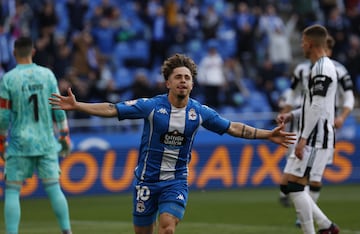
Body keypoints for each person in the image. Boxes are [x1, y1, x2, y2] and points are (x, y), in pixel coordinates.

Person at [49, 53, 296, 234]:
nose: (183, 81)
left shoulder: (199, 112)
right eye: (178, 77)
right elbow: (112, 109)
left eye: (187, 77)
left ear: (192, 84)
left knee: (167, 229)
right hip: (146, 180)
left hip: (175, 181)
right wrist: (77, 105)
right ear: (168, 82)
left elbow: (232, 127)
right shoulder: (152, 106)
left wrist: (267, 134)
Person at [278, 34, 355, 221]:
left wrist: (342, 117)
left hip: (321, 132)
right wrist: (287, 116)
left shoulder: (336, 69)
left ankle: (311, 220)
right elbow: (294, 95)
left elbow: (348, 97)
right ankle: (315, 219)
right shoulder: (303, 70)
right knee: (290, 183)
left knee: (310, 179)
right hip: (300, 127)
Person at [0, 36, 72, 234]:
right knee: (54, 188)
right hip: (46, 141)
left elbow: (4, 117)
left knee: (13, 190)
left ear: (14, 53)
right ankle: (67, 231)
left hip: (19, 143)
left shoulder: (8, 79)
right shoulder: (47, 75)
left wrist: (1, 140)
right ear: (33, 52)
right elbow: (59, 108)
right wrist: (64, 135)